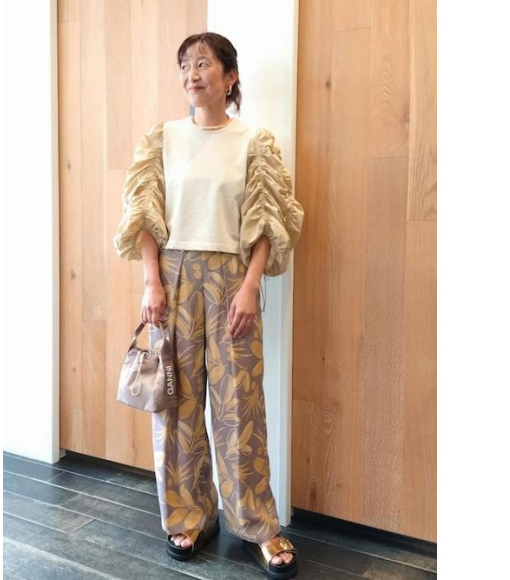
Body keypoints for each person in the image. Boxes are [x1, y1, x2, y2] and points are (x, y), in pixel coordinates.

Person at [113, 32, 304, 579]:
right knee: (177, 404)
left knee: (240, 404)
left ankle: (258, 524)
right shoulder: (163, 139)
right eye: (184, 65)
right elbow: (145, 213)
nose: (191, 74)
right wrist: (151, 281)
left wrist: (250, 286)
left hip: (232, 280)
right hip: (172, 279)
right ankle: (190, 515)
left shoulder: (254, 142)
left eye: (202, 64)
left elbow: (268, 222)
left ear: (229, 76)